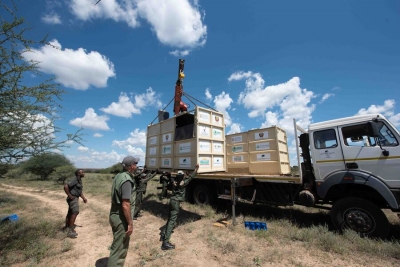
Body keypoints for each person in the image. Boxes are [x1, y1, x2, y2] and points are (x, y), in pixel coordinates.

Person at [107, 156, 140, 267]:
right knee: (119, 249)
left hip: (115, 214)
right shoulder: (126, 180)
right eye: (136, 163)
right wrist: (130, 223)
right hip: (121, 218)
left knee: (118, 246)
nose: (137, 164)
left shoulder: (119, 175)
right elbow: (125, 204)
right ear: (131, 166)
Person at [160, 164, 199, 250]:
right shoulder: (183, 183)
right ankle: (165, 243)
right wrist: (195, 170)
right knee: (172, 221)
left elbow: (175, 177)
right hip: (176, 203)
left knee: (170, 219)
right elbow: (191, 177)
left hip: (171, 201)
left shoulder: (175, 182)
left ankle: (163, 235)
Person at [64, 169, 87, 238]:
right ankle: (70, 231)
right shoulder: (75, 180)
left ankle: (67, 227)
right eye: (82, 172)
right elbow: (66, 186)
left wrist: (83, 198)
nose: (84, 173)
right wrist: (70, 195)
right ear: (78, 174)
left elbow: (79, 191)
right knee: (75, 212)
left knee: (70, 213)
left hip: (75, 198)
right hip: (73, 198)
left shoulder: (79, 180)